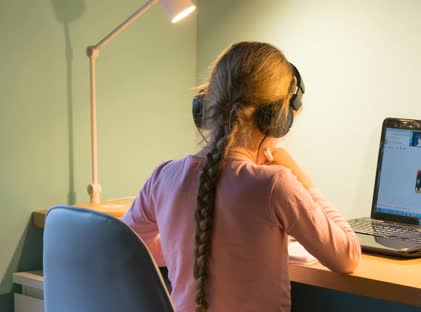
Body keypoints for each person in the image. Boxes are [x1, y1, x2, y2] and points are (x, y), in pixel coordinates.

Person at [122, 41, 361, 312]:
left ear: (204, 105)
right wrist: (300, 177)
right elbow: (347, 256)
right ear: (278, 117)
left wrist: (187, 245)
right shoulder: (275, 184)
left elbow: (122, 246)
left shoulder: (163, 177)